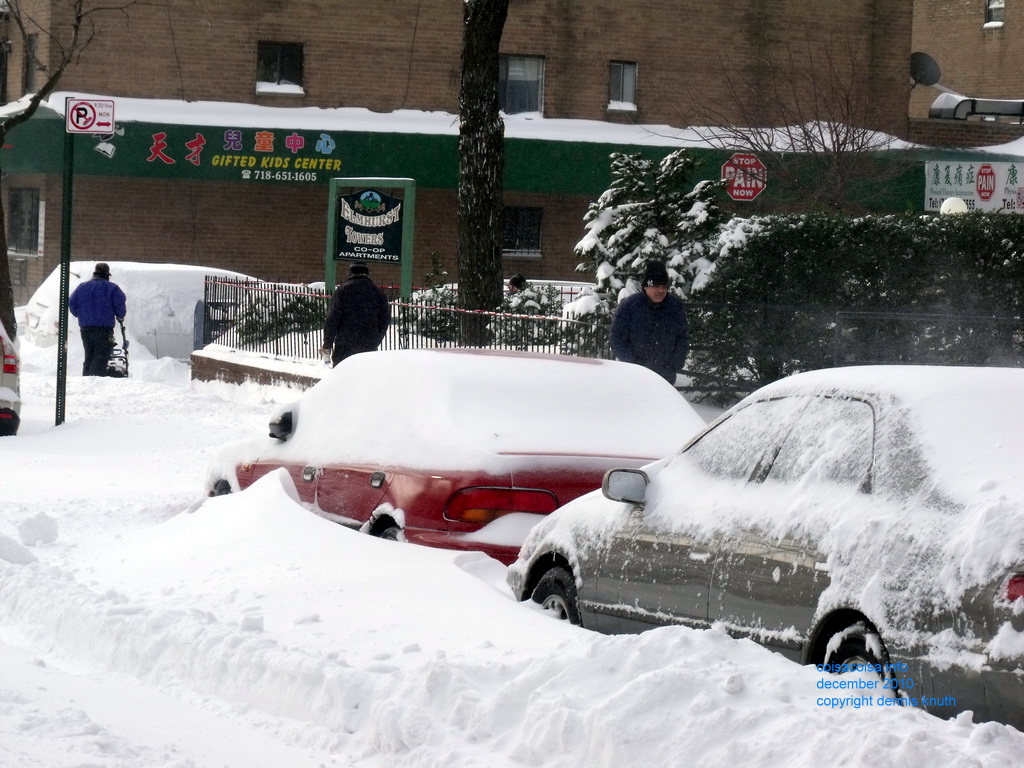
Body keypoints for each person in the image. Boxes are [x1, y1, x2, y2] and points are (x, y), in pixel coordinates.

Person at [609, 260, 688, 384]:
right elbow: (616, 338)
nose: (660, 290)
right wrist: (634, 364)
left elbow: (682, 337)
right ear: (646, 287)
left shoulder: (675, 306)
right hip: (634, 376)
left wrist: (675, 363)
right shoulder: (630, 306)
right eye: (656, 286)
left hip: (665, 376)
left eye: (663, 286)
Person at [320, 261, 391, 367]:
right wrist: (375, 339)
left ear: (351, 273)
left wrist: (327, 344)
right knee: (364, 373)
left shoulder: (343, 290)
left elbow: (333, 318)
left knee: (342, 372)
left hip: (345, 343)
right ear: (367, 273)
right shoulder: (378, 292)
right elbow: (384, 320)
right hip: (368, 344)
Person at [68, 262, 127, 377]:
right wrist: (120, 316)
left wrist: (80, 314)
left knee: (89, 356)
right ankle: (95, 382)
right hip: (103, 329)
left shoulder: (82, 287)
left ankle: (85, 380)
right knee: (100, 358)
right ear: (107, 275)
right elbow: (119, 305)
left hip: (85, 328)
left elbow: (72, 302)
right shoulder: (112, 288)